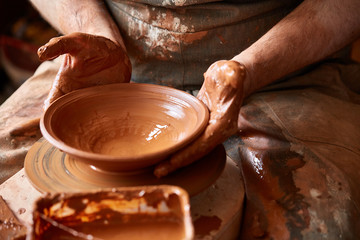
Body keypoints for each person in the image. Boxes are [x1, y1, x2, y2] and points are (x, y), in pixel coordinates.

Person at [0, 0, 359, 238]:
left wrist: (249, 70)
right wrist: (94, 30)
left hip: (285, 62)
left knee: (316, 220)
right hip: (103, 56)